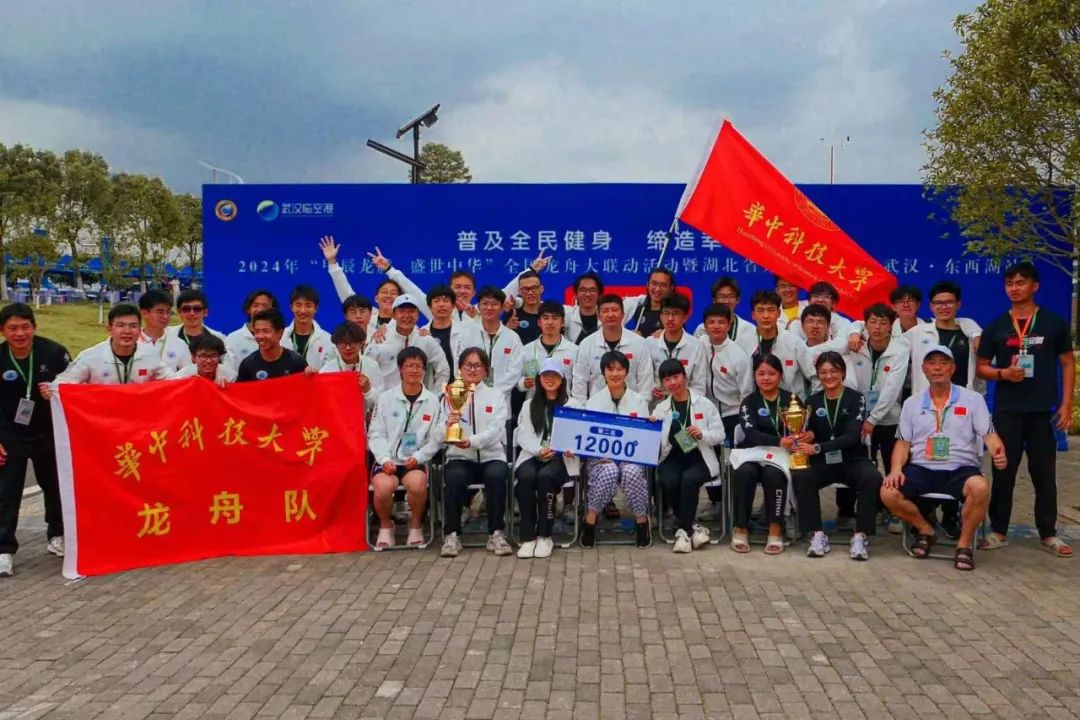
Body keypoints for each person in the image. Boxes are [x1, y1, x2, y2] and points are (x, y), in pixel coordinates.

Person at [976, 261, 1074, 556]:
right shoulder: (997, 325)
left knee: (1044, 473)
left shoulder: (1053, 323)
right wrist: (1003, 373)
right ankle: (998, 530)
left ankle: (1048, 533)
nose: (1014, 288)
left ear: (1035, 286)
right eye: (1009, 284)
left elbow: (1067, 363)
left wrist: (1066, 404)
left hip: (1043, 410)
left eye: (1020, 283)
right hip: (1008, 410)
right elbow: (982, 367)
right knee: (1003, 470)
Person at [881, 345, 1007, 570]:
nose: (937, 368)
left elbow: (989, 435)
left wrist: (999, 452)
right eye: (931, 363)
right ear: (924, 369)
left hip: (961, 468)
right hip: (922, 468)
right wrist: (896, 469)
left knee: (980, 488)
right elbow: (903, 443)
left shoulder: (972, 399)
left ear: (953, 368)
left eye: (943, 363)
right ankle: (925, 530)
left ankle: (964, 545)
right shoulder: (912, 403)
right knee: (888, 492)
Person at [0, 304, 72, 574]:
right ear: (3, 331)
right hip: (9, 432)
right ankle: (4, 549)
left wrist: (56, 391)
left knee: (55, 486)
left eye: (25, 327)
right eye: (13, 328)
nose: (20, 333)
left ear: (34, 327)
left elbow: (74, 384)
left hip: (48, 430)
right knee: (7, 491)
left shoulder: (54, 353)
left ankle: (58, 534)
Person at [791, 352, 883, 560]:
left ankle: (861, 535)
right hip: (823, 462)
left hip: (852, 458)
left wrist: (817, 447)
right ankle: (816, 534)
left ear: (843, 372)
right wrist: (809, 435)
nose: (828, 376)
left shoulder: (856, 399)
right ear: (817, 375)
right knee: (802, 475)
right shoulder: (812, 400)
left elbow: (852, 436)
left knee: (872, 477)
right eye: (823, 372)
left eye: (833, 371)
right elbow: (812, 428)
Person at [367, 347, 444, 549]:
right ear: (400, 369)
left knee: (418, 485)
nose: (414, 370)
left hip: (415, 461)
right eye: (409, 365)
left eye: (419, 366)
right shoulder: (385, 399)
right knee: (383, 488)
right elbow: (376, 434)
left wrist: (419, 457)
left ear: (424, 370)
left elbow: (436, 438)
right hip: (388, 461)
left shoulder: (433, 401)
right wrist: (384, 459)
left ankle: (416, 525)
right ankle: (386, 525)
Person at [842, 304, 910, 532]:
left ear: (892, 325)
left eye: (883, 322)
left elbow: (892, 390)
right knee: (862, 466)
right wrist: (860, 416)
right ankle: (867, 509)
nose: (877, 327)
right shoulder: (856, 345)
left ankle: (896, 511)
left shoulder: (900, 350)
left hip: (889, 419)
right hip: (859, 418)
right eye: (872, 322)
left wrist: (873, 419)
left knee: (894, 465)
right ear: (865, 324)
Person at [439, 347, 512, 558]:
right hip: (460, 457)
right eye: (468, 365)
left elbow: (496, 429)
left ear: (485, 370)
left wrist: (472, 441)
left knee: (496, 476)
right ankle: (452, 534)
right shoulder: (449, 395)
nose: (472, 369)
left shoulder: (496, 396)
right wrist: (447, 426)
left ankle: (496, 533)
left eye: (477, 365)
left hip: (491, 456)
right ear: (460, 369)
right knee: (453, 477)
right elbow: (437, 431)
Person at [581, 351, 652, 548]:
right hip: (601, 458)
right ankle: (590, 520)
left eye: (620, 369)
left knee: (631, 471)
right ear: (603, 373)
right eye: (610, 369)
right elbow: (588, 436)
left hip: (631, 457)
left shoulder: (638, 401)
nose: (615, 374)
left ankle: (641, 522)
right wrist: (600, 454)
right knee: (610, 470)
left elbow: (643, 436)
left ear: (627, 372)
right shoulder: (593, 402)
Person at [654, 358, 724, 553]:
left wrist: (703, 434)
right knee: (667, 480)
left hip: (699, 457)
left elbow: (720, 435)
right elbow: (657, 442)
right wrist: (652, 426)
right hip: (673, 457)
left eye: (676, 377)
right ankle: (692, 528)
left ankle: (683, 533)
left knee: (688, 479)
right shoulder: (661, 409)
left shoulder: (704, 404)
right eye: (667, 380)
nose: (672, 383)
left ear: (685, 377)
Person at [514, 358, 580, 559]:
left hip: (561, 458)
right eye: (546, 375)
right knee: (525, 477)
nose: (550, 379)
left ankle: (545, 534)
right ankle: (528, 536)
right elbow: (523, 435)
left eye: (555, 376)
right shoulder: (528, 405)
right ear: (539, 379)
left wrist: (570, 449)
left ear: (562, 380)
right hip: (534, 454)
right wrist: (538, 450)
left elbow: (578, 435)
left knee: (546, 477)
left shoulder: (572, 405)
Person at [731, 354, 794, 555]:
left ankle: (775, 528)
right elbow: (750, 433)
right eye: (761, 374)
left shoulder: (791, 400)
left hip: (779, 456)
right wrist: (778, 440)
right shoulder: (749, 402)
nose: (766, 378)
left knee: (774, 475)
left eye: (771, 373)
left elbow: (799, 429)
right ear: (754, 376)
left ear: (780, 375)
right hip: (752, 453)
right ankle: (741, 526)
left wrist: (792, 439)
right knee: (744, 473)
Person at [698, 303, 753, 522]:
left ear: (729, 325)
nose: (716, 326)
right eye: (711, 322)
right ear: (704, 326)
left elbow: (747, 393)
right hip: (707, 415)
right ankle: (716, 502)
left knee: (732, 463)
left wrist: (742, 422)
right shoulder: (700, 346)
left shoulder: (738, 356)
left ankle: (737, 507)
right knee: (707, 458)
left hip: (733, 415)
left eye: (721, 322)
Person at [54, 304, 171, 385]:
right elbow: (64, 383)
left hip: (137, 412)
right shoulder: (90, 356)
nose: (127, 331)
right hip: (103, 412)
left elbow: (173, 380)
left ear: (139, 330)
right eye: (120, 325)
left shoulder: (150, 354)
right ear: (109, 329)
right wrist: (51, 390)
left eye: (133, 326)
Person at [572, 293, 653, 403]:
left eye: (615, 310)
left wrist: (639, 409)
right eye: (605, 311)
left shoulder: (639, 343)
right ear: (598, 316)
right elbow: (579, 384)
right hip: (596, 409)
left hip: (631, 409)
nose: (610, 315)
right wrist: (584, 410)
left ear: (623, 314)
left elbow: (646, 383)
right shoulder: (587, 345)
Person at [452, 287, 524, 405]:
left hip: (501, 401)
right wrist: (475, 390)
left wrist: (494, 393)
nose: (489, 308)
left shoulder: (512, 338)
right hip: (471, 399)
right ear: (478, 307)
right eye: (485, 304)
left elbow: (515, 372)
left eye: (494, 304)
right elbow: (458, 366)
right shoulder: (466, 334)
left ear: (502, 308)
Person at [365, 295, 450, 393]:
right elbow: (366, 370)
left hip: (418, 399)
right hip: (386, 399)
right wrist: (376, 397)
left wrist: (436, 396)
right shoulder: (380, 339)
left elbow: (444, 370)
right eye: (402, 311)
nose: (407, 315)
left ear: (418, 315)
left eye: (411, 311)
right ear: (394, 315)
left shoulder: (425, 340)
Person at [645, 294, 708, 407]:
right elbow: (643, 378)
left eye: (675, 313)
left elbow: (699, 386)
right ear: (661, 316)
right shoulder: (649, 343)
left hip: (686, 407)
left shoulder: (697, 346)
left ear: (685, 317)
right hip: (656, 407)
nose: (670, 318)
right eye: (666, 313)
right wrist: (651, 388)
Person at [748, 289, 813, 398]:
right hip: (757, 405)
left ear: (779, 313)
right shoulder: (745, 343)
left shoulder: (795, 343)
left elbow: (813, 376)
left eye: (771, 310)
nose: (766, 315)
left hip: (793, 405)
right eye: (760, 310)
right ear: (753, 315)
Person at [518, 300, 577, 400]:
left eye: (555, 318)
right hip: (534, 404)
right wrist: (524, 383)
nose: (550, 322)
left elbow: (578, 384)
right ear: (539, 322)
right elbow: (517, 381)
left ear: (562, 322)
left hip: (563, 405)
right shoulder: (526, 350)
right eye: (545, 318)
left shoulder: (574, 351)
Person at [319, 322, 378, 419]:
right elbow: (320, 405)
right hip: (335, 423)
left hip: (362, 424)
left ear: (361, 343)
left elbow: (380, 404)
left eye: (352, 342)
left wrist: (368, 390)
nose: (348, 347)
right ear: (336, 345)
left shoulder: (372, 366)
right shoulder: (327, 371)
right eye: (343, 343)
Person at [236, 308, 309, 381]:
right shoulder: (247, 365)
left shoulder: (297, 362)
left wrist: (311, 374)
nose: (260, 336)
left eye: (266, 331)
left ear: (280, 333)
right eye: (257, 331)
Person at [693, 277, 757, 358]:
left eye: (730, 296)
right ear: (714, 300)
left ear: (737, 300)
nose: (726, 301)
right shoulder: (701, 329)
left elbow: (748, 360)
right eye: (722, 296)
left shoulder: (749, 329)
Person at [798, 304, 849, 395]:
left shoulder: (841, 350)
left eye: (820, 322)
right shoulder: (797, 349)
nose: (815, 326)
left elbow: (850, 384)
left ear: (828, 327)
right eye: (810, 321)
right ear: (802, 326)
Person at [138, 289, 191, 373]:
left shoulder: (179, 344)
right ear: (144, 313)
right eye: (160, 312)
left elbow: (189, 375)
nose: (165, 316)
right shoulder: (131, 341)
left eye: (168, 312)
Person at [282, 285, 334, 370]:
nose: (303, 310)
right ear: (291, 307)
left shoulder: (328, 340)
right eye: (298, 305)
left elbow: (330, 370)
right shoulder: (280, 337)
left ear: (316, 308)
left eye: (308, 306)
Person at [226, 289, 278, 363]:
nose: (260, 309)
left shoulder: (281, 336)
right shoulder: (233, 339)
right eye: (255, 305)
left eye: (265, 306)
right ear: (248, 309)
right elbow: (229, 368)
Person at [623, 267, 676, 338]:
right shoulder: (639, 308)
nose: (658, 289)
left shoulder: (674, 312)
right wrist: (633, 336)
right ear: (647, 284)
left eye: (663, 285)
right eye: (654, 283)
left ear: (671, 288)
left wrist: (666, 335)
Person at [170, 334, 236, 385]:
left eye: (213, 355)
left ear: (219, 357)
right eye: (203, 356)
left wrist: (227, 388)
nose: (208, 360)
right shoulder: (182, 376)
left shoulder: (230, 376)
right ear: (193, 357)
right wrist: (186, 384)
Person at [504, 270, 544, 346]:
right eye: (525, 289)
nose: (530, 292)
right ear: (519, 291)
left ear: (541, 288)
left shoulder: (551, 315)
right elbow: (502, 344)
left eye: (534, 288)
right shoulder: (512, 316)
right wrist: (507, 329)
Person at [565, 272, 603, 344]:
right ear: (576, 293)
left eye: (592, 290)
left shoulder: (607, 316)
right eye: (583, 290)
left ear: (599, 293)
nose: (588, 294)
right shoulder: (567, 315)